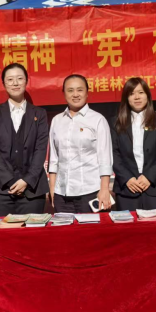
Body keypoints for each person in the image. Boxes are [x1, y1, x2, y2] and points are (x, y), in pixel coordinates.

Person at [0, 63, 49, 216]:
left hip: (32, 190)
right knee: (1, 230)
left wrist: (27, 180)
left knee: (31, 231)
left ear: (26, 81)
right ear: (3, 83)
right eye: (10, 79)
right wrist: (9, 180)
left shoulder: (39, 114)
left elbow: (40, 149)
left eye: (19, 78)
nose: (15, 83)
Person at [48, 75, 113, 213]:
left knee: (91, 227)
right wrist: (52, 188)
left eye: (80, 90)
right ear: (64, 93)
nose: (75, 94)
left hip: (90, 192)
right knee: (63, 228)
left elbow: (105, 159)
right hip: (61, 193)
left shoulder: (98, 120)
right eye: (70, 90)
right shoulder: (57, 120)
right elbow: (54, 158)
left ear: (87, 93)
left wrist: (104, 189)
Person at [110, 77, 156, 211]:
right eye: (132, 93)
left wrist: (149, 177)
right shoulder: (116, 123)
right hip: (127, 188)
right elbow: (113, 153)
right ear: (126, 98)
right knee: (129, 224)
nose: (137, 97)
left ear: (147, 95)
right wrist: (127, 178)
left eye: (141, 92)